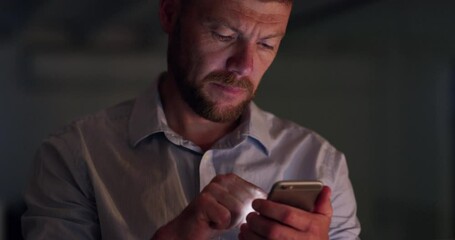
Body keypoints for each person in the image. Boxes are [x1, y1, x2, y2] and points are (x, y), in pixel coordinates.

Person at [22, 0, 361, 239]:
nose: (244, 66)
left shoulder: (322, 165)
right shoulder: (74, 156)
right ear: (170, 13)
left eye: (267, 44)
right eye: (225, 35)